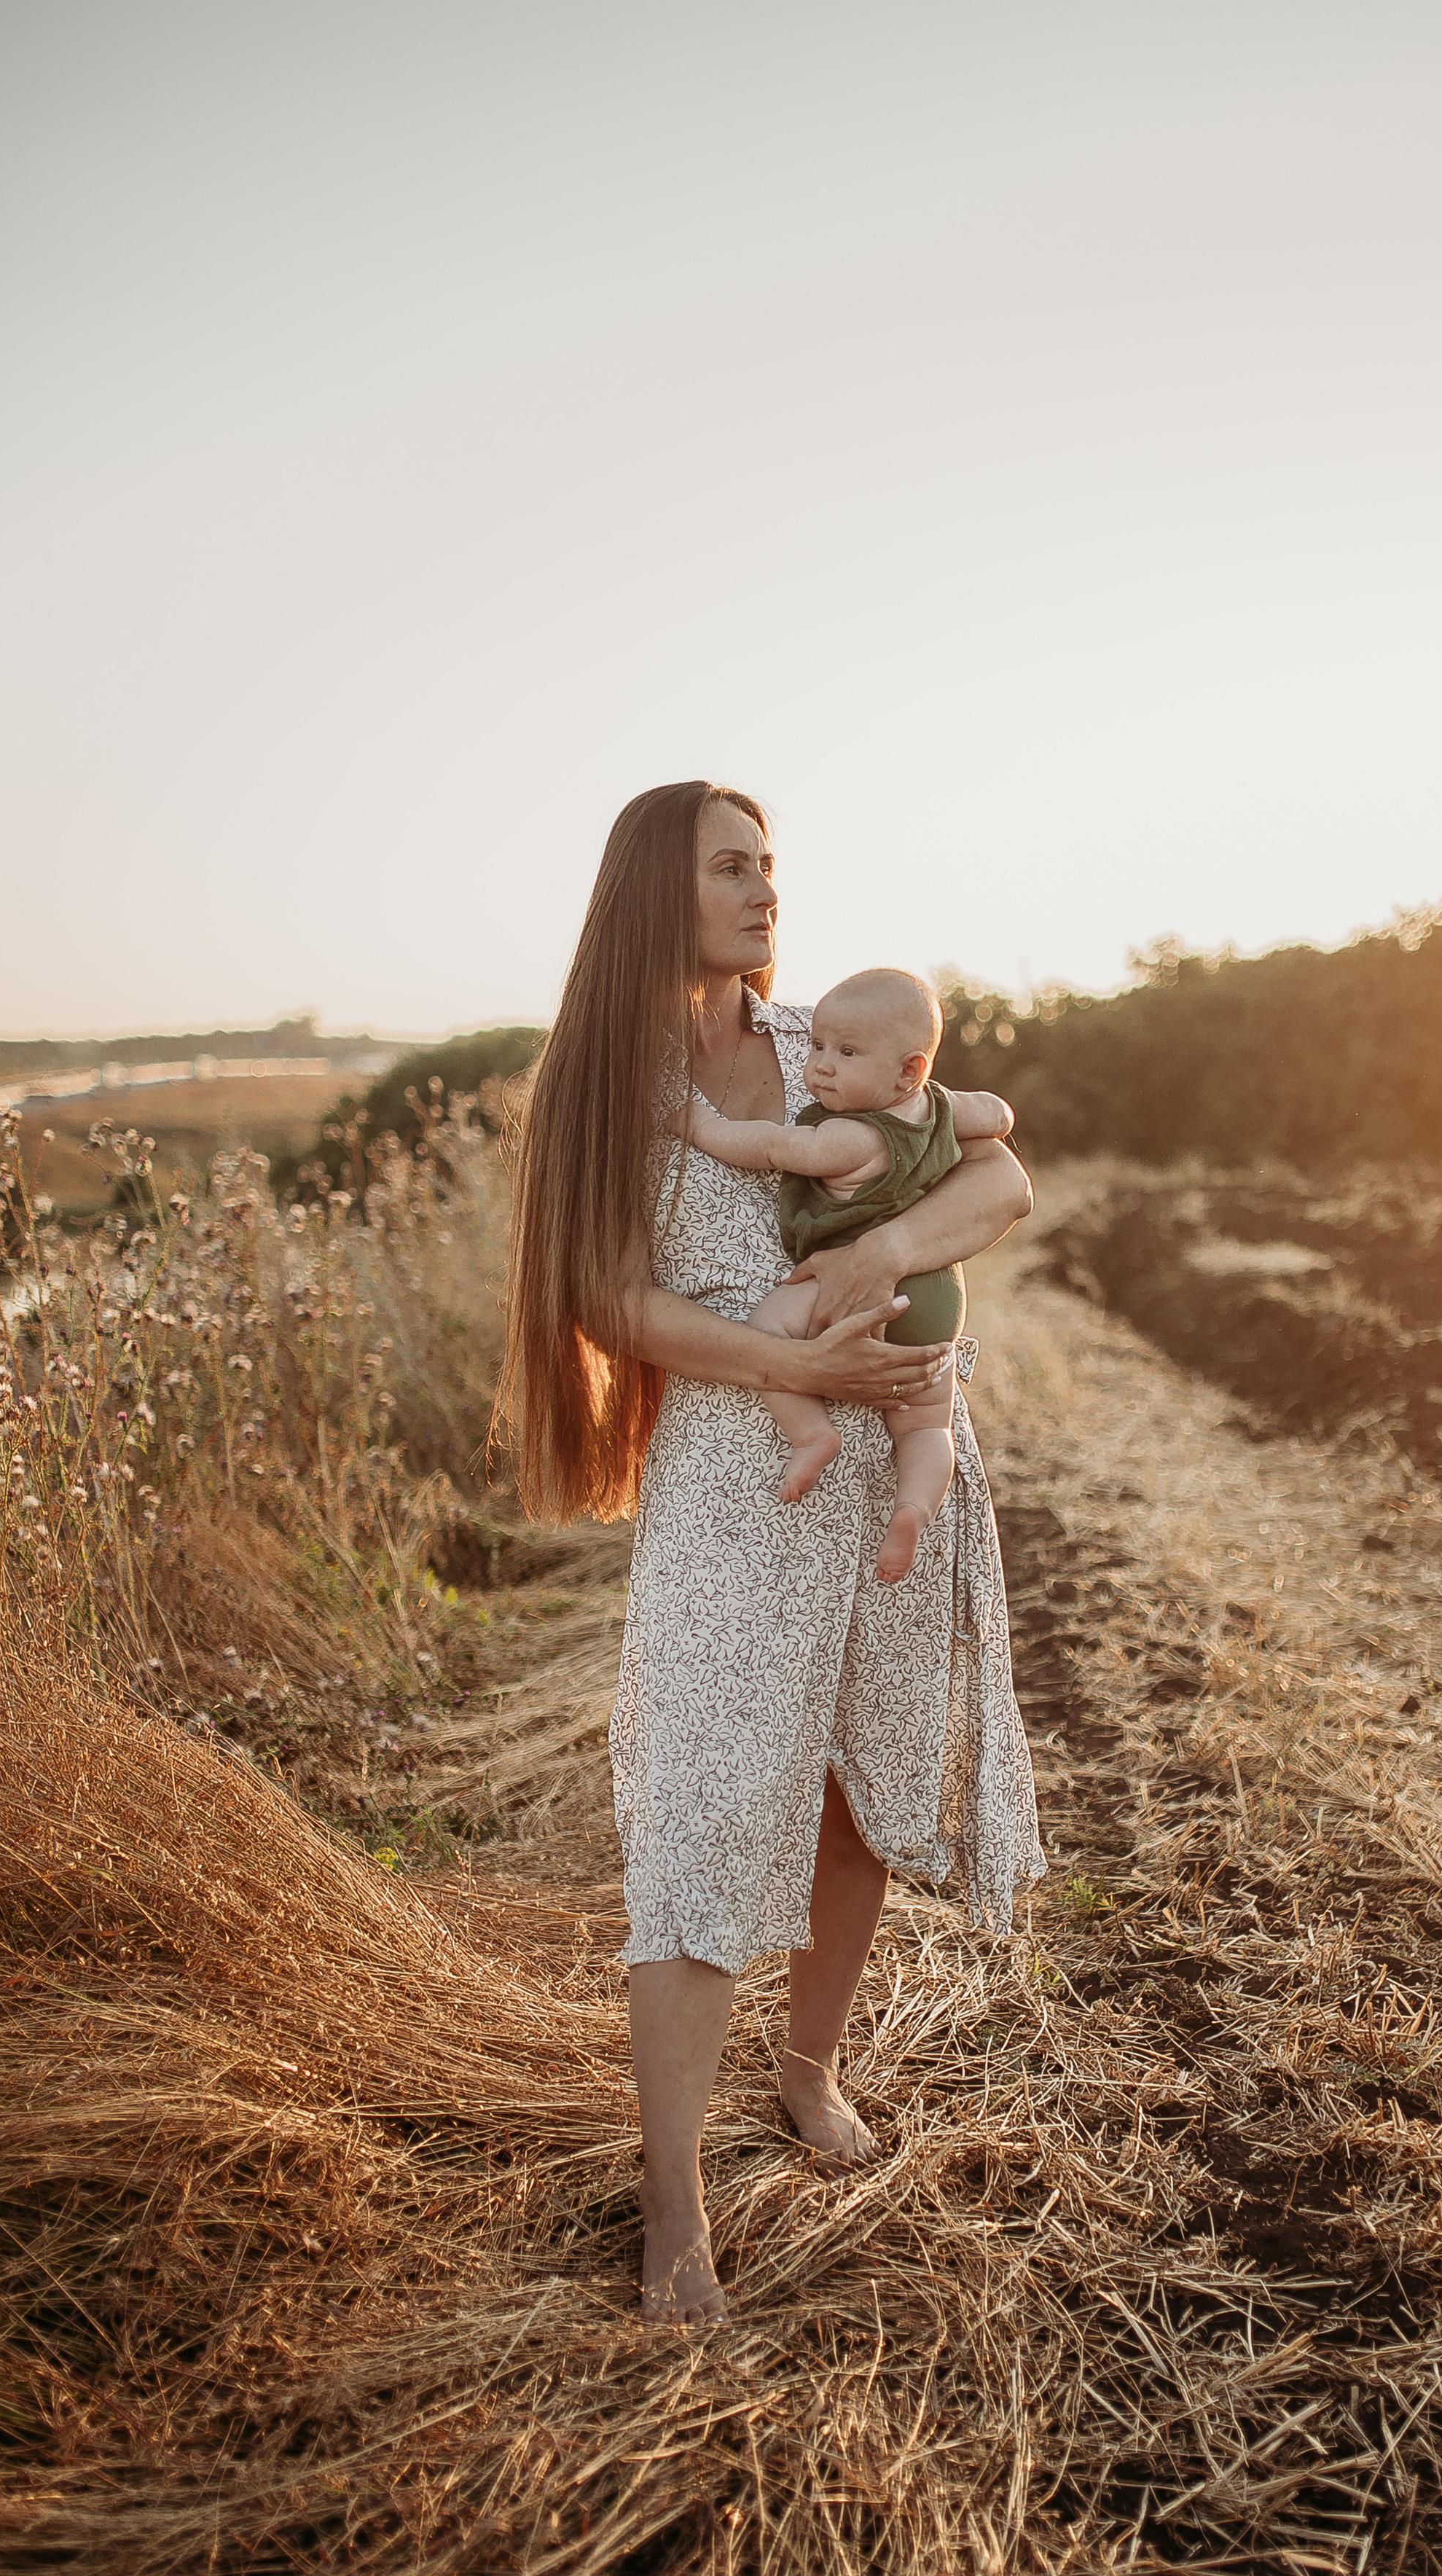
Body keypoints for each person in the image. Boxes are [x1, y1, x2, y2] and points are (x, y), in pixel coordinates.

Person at [497, 781, 1043, 2326]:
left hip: (896, 1466)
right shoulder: (606, 1085)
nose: (763, 890)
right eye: (728, 868)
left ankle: (805, 2075)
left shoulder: (830, 1041)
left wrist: (879, 1254)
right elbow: (610, 1303)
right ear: (650, 895)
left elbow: (1000, 1178)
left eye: (768, 865)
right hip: (746, 1482)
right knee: (702, 1819)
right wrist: (786, 1367)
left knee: (859, 1792)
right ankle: (672, 2204)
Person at [673, 964, 1016, 1583]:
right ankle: (913, 1507)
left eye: (847, 1052)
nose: (823, 1065)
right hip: (936, 1300)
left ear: (908, 1069)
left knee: (769, 1326)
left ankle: (811, 1435)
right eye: (818, 1047)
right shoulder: (938, 1109)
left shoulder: (848, 1139)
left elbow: (772, 1147)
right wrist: (990, 1112)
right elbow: (993, 1113)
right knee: (925, 1423)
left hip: (861, 1294)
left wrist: (702, 1126)